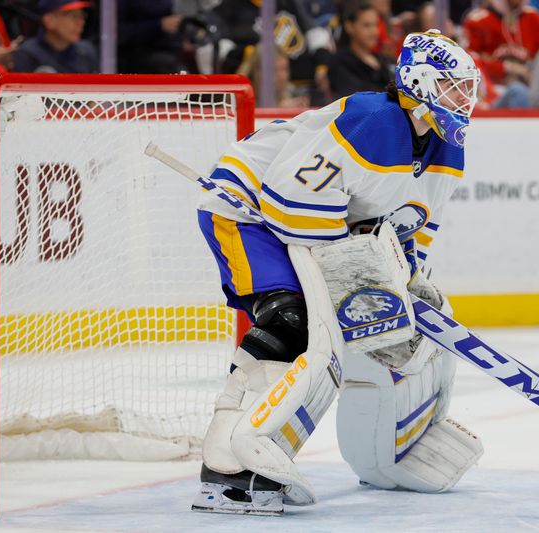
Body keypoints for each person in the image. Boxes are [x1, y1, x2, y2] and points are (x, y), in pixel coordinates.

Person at [191, 29, 484, 516]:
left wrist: (405, 281)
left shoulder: (447, 150)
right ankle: (226, 467)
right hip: (248, 211)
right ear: (420, 82)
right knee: (291, 320)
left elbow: (411, 231)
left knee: (365, 328)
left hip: (299, 222)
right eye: (455, 86)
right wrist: (358, 269)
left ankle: (394, 446)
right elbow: (291, 206)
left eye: (469, 87)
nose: (466, 98)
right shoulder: (372, 120)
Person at [463, 0, 539, 108]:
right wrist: (507, 67)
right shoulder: (477, 20)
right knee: (519, 92)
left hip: (531, 87)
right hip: (493, 91)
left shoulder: (534, 17)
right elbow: (468, 62)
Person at [327, 0, 393, 99]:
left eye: (376, 25)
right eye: (367, 25)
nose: (374, 32)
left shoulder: (385, 60)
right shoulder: (340, 62)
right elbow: (356, 98)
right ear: (349, 26)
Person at [13, 0, 97, 73]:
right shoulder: (28, 54)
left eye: (82, 16)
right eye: (73, 16)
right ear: (49, 20)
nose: (80, 23)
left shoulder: (86, 52)